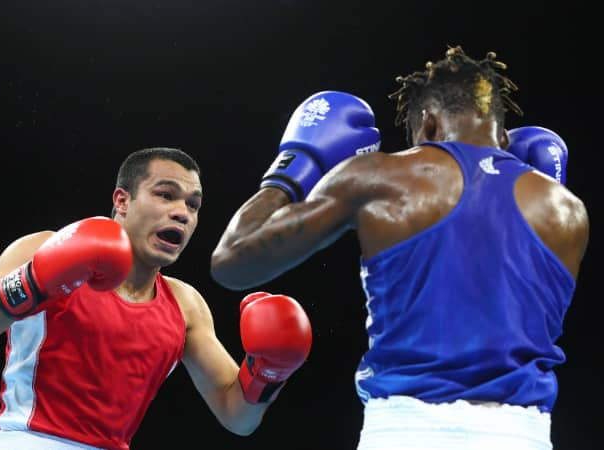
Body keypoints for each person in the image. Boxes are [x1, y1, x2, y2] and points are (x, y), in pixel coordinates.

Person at [210, 46, 589, 450]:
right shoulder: (566, 209)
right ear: (504, 136)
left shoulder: (382, 178)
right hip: (523, 436)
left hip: (405, 431)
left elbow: (232, 264)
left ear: (426, 124)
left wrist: (291, 168)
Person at [0, 147, 313, 450]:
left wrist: (270, 372)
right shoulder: (48, 248)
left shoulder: (185, 304)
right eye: (166, 195)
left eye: (193, 205)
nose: (182, 213)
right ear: (122, 200)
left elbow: (238, 417)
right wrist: (33, 283)